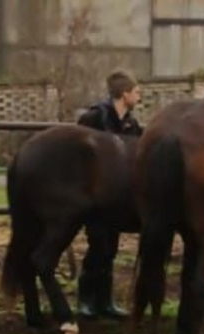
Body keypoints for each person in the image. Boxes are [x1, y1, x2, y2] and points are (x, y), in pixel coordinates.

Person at [75, 71, 143, 319]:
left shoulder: (131, 124)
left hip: (118, 195)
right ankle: (85, 299)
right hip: (95, 194)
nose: (139, 96)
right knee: (98, 245)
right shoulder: (94, 118)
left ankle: (104, 301)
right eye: (136, 91)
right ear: (125, 94)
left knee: (110, 248)